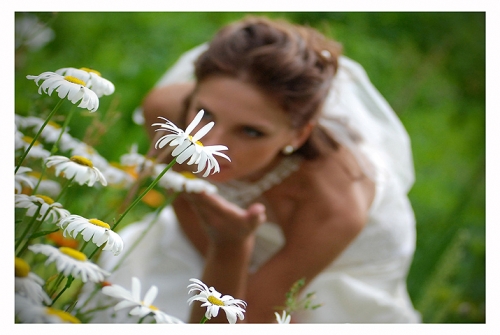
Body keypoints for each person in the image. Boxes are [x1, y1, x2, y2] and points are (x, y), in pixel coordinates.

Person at [97, 15, 421, 323]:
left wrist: (230, 248)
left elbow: (241, 321)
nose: (210, 145)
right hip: (210, 238)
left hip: (328, 280)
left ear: (299, 134)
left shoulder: (334, 202)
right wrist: (224, 251)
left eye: (251, 131)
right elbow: (182, 204)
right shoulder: (168, 113)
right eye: (205, 113)